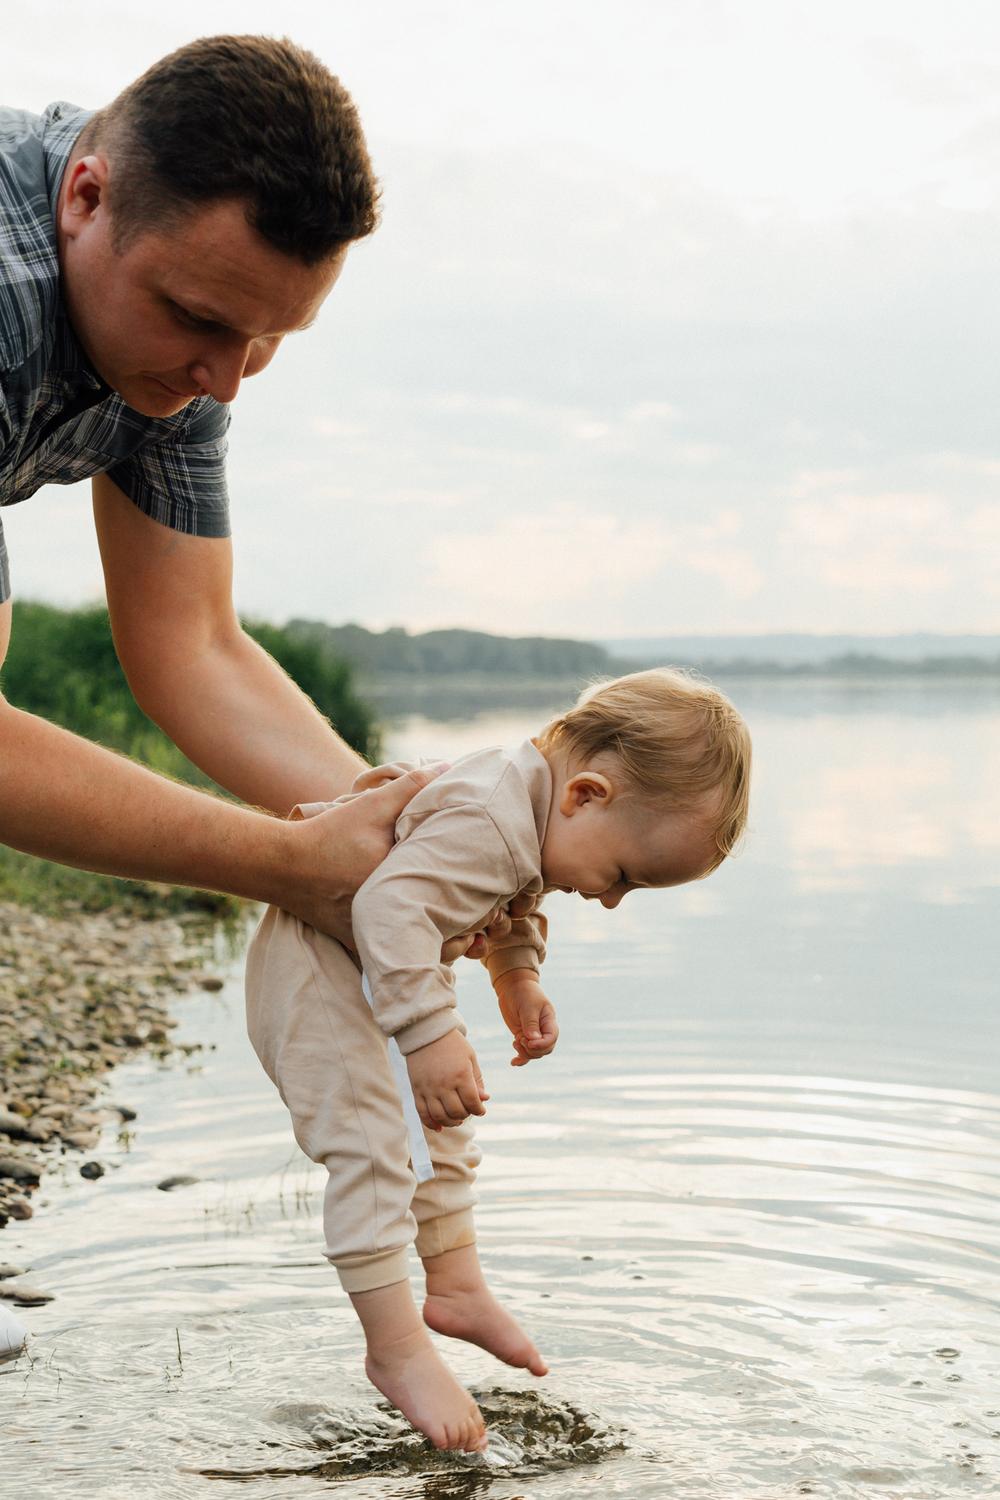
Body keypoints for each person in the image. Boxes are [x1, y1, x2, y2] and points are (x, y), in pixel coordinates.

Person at [0, 35, 504, 948]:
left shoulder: (183, 347)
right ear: (86, 196)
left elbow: (191, 645)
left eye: (273, 336)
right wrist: (293, 862)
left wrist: (415, 842)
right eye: (199, 319)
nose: (227, 380)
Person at [245, 668, 752, 1453]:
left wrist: (517, 978)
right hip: (318, 972)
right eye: (623, 876)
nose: (612, 900)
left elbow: (509, 897)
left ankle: (453, 1285)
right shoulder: (491, 814)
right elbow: (390, 905)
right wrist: (427, 1032)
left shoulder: (525, 810)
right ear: (587, 794)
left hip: (368, 969)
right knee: (374, 1153)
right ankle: (398, 1350)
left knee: (440, 1128)